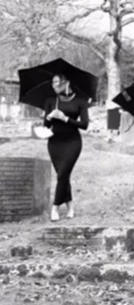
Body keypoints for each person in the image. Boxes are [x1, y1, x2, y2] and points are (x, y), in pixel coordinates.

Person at [43, 73, 90, 222]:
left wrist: (65, 118)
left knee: (62, 174)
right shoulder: (51, 101)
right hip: (54, 142)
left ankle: (55, 207)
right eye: (52, 83)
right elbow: (46, 125)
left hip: (73, 142)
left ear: (66, 82)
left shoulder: (80, 102)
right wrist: (49, 117)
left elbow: (84, 125)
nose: (53, 85)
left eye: (56, 82)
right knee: (63, 176)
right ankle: (70, 207)